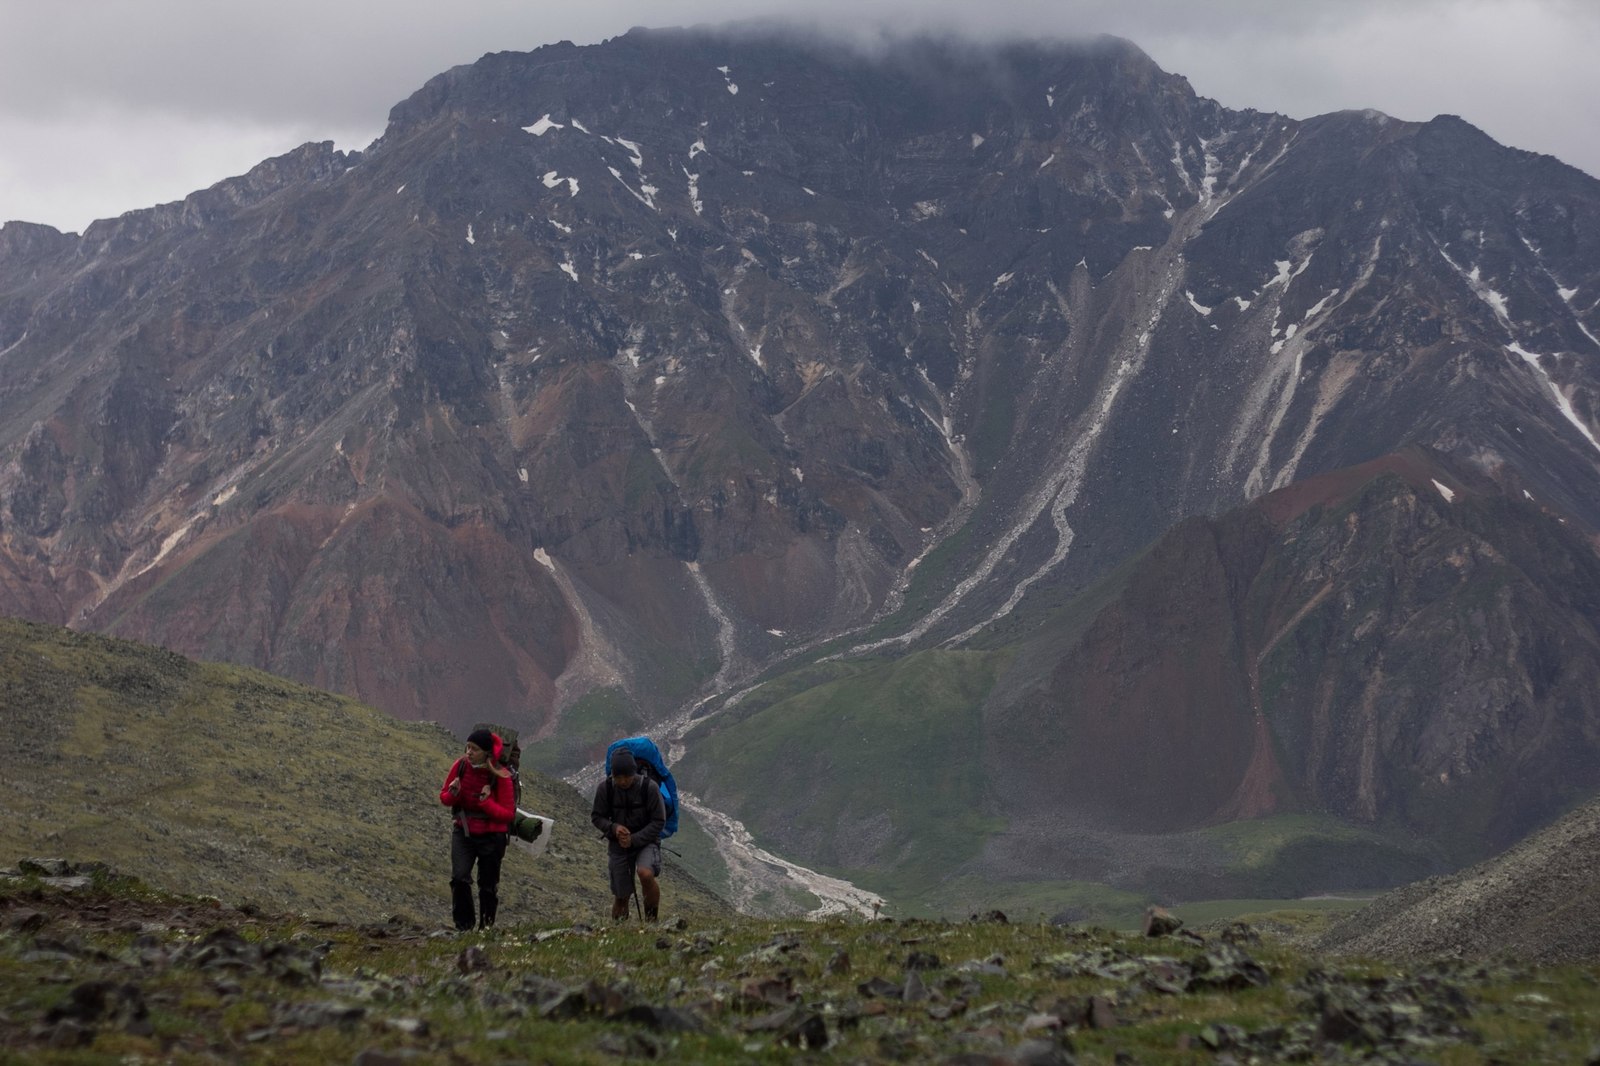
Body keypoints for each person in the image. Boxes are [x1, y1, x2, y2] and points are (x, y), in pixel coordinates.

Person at [439, 729, 516, 931]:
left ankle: (486, 928)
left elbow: (508, 814)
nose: (469, 752)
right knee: (459, 878)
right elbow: (445, 798)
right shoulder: (461, 766)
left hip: (492, 836)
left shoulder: (501, 775)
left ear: (487, 753)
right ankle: (464, 927)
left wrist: (486, 802)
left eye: (474, 749)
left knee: (487, 886)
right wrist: (453, 793)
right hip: (464, 832)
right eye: (468, 747)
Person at [590, 748, 666, 921]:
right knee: (621, 894)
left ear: (634, 773)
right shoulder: (605, 789)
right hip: (618, 843)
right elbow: (596, 817)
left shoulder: (649, 788)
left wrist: (634, 839)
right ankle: (620, 928)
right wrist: (614, 828)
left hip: (646, 841)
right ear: (613, 775)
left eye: (627, 777)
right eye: (618, 777)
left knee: (645, 874)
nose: (623, 781)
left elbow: (658, 821)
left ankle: (652, 922)